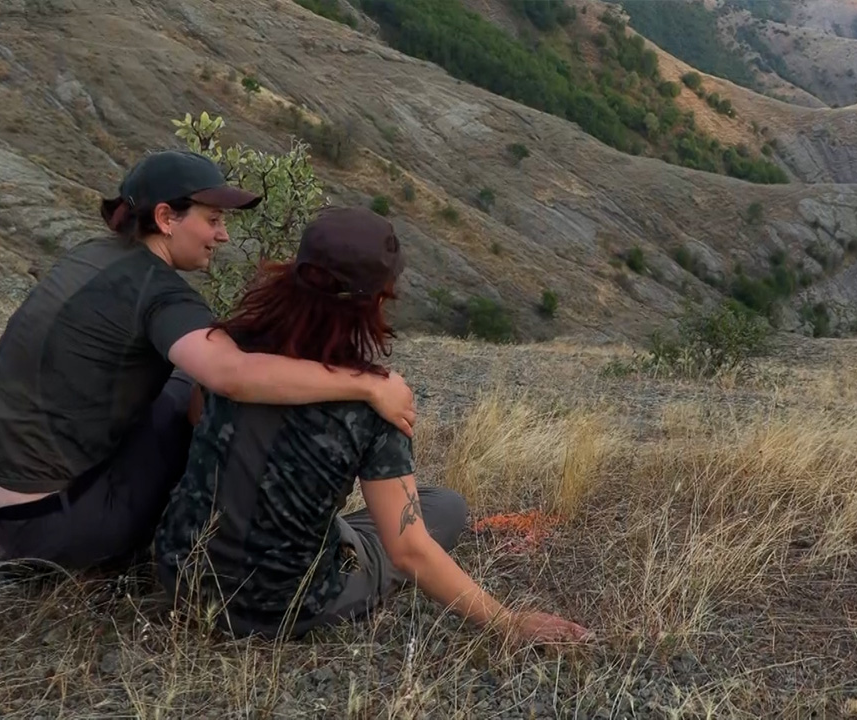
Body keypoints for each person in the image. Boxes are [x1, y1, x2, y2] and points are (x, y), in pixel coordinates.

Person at [0, 150, 418, 575]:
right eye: (212, 219)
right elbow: (231, 376)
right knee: (192, 396)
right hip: (52, 523)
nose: (223, 234)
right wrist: (367, 384)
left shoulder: (90, 256)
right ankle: (184, 542)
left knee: (176, 380)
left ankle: (44, 541)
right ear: (166, 218)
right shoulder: (159, 293)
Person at [153, 206, 592, 645]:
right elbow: (409, 551)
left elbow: (196, 418)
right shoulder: (375, 401)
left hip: (182, 579)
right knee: (446, 507)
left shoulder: (228, 354)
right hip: (285, 607)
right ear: (377, 300)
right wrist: (508, 622)